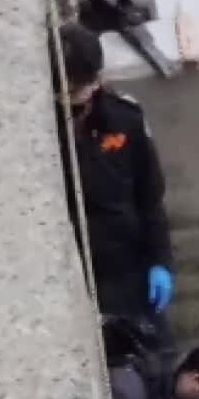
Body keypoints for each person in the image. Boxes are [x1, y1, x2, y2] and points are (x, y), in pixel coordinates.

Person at [54, 21, 176, 363]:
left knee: (156, 362)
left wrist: (160, 261)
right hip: (79, 274)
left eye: (82, 88)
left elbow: (150, 198)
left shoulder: (124, 120)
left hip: (129, 269)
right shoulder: (44, 130)